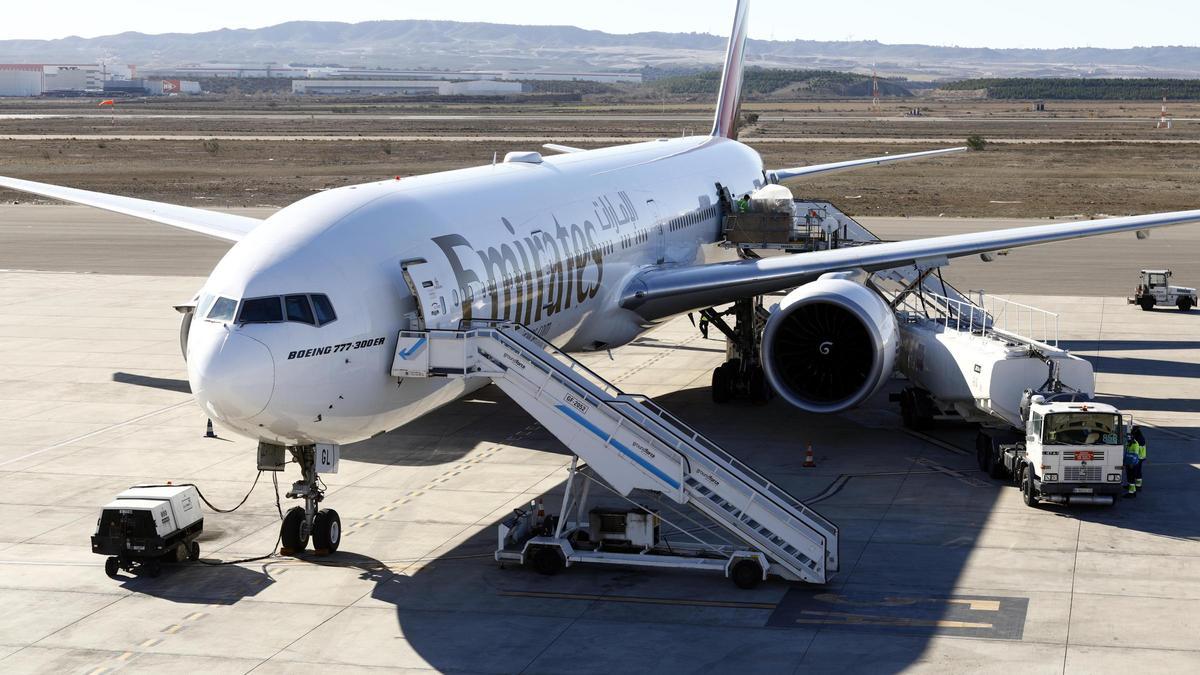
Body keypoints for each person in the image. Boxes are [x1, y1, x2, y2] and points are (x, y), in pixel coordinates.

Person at [1124, 425, 1147, 498]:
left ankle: (1132, 492)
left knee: (1131, 475)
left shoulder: (1136, 442)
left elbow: (1134, 452)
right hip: (1140, 458)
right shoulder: (1140, 437)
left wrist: (1131, 462)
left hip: (1135, 459)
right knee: (1138, 473)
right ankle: (1138, 486)